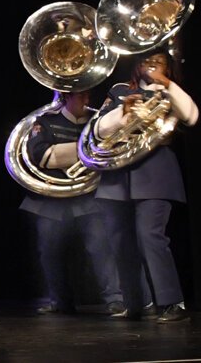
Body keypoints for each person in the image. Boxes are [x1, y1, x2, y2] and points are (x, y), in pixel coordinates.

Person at [98, 49, 196, 323]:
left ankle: (172, 302)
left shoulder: (171, 92)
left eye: (158, 61)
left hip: (156, 173)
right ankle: (137, 303)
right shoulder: (119, 91)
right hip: (118, 175)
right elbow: (100, 130)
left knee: (150, 235)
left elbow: (191, 116)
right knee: (119, 240)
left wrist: (166, 83)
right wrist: (123, 112)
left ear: (168, 66)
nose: (151, 65)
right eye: (146, 61)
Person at [20, 89, 122, 315]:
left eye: (88, 95)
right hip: (51, 199)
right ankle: (60, 301)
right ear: (67, 97)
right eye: (81, 96)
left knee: (101, 248)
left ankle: (115, 299)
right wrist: (87, 149)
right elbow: (42, 156)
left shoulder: (98, 125)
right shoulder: (46, 122)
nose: (88, 100)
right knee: (49, 251)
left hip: (89, 197)